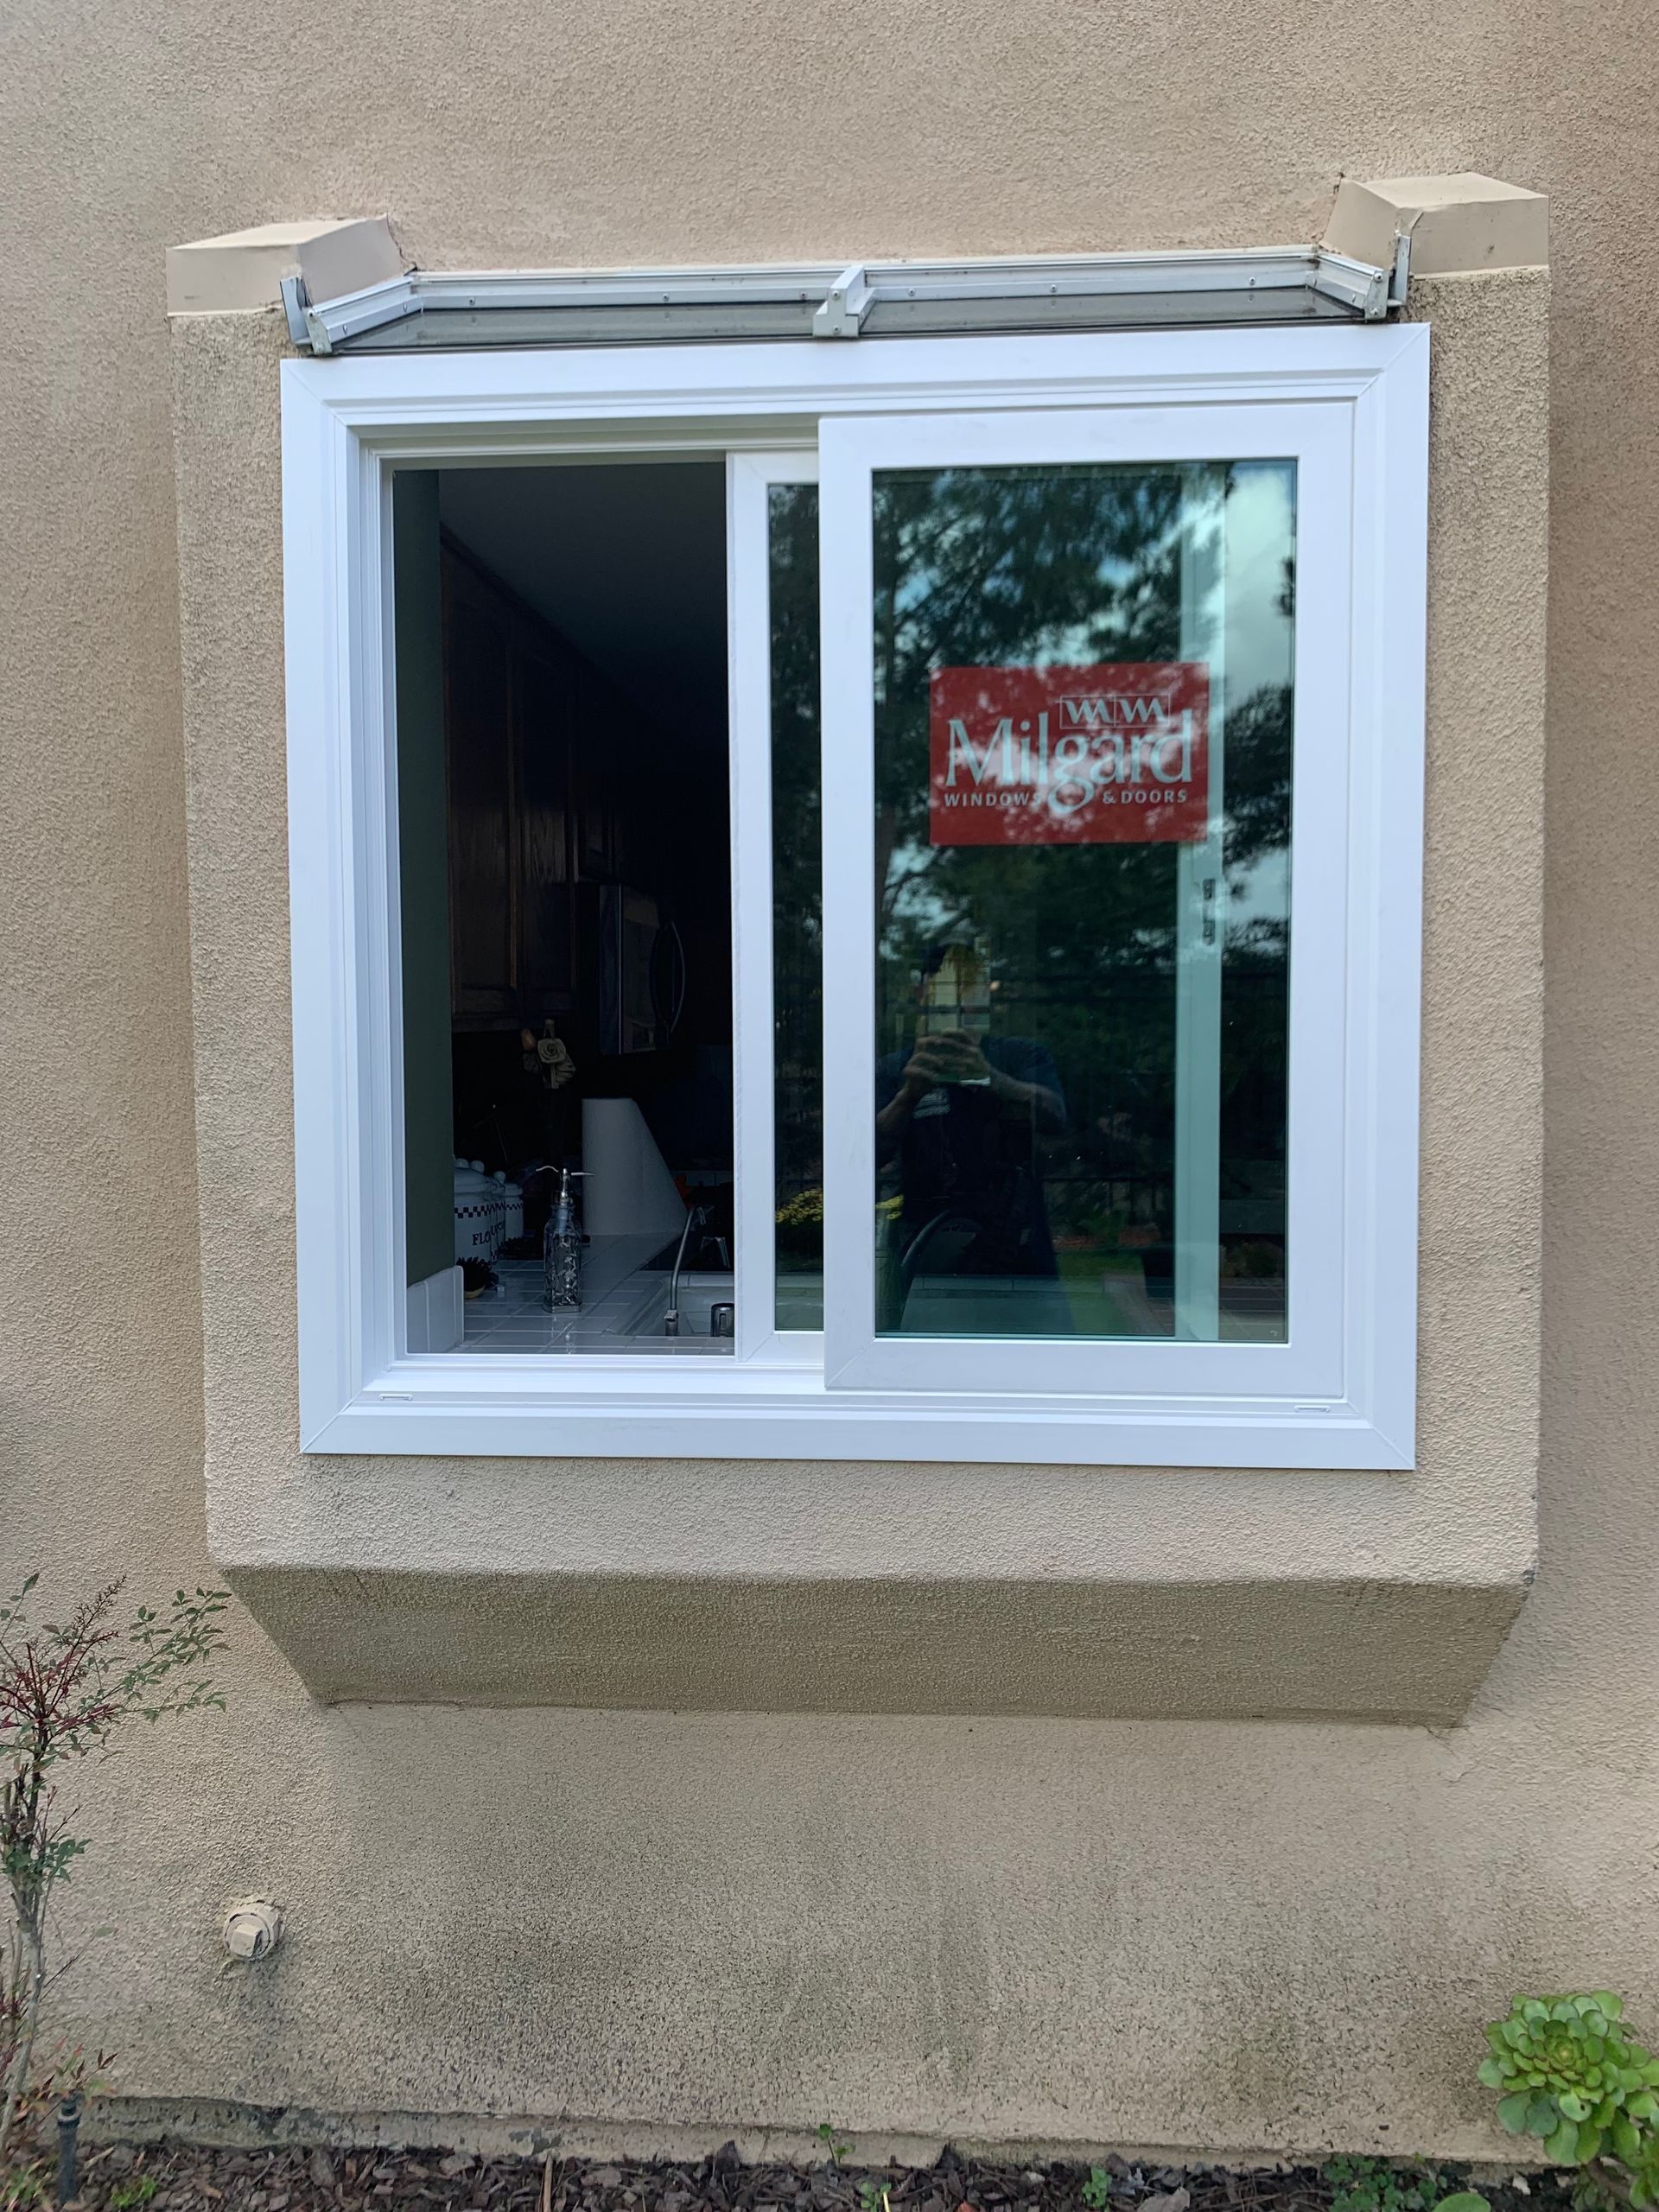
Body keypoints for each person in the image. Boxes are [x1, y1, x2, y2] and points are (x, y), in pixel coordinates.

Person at [875, 944, 1071, 1334]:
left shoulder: (1018, 1055)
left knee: (1046, 1370)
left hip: (1018, 1248)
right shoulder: (898, 1068)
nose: (962, 1006)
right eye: (950, 994)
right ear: (923, 994)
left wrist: (994, 1080)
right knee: (925, 1372)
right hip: (930, 1254)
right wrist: (909, 1094)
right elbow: (865, 1154)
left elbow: (1056, 1117)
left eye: (973, 992)